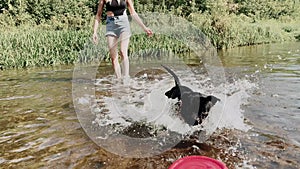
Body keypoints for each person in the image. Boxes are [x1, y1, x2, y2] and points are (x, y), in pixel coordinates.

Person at [93, 0, 153, 79]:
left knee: (123, 51)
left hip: (123, 24)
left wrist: (144, 28)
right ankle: (119, 79)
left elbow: (133, 13)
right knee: (113, 56)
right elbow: (98, 15)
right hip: (111, 25)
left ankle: (126, 78)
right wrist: (95, 32)